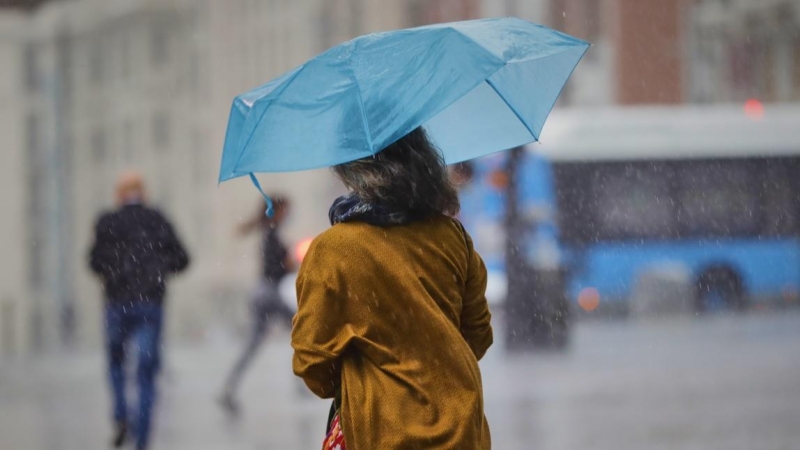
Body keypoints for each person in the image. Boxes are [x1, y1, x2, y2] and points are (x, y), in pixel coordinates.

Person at [292, 127, 493, 449]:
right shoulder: (452, 238)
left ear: (352, 168)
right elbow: (478, 336)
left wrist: (363, 378)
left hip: (380, 433)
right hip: (462, 429)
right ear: (422, 158)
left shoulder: (334, 249)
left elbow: (313, 363)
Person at [88, 171, 190, 450]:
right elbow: (183, 259)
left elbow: (94, 263)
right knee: (146, 373)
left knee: (116, 364)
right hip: (149, 304)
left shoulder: (107, 221)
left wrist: (116, 271)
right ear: (143, 193)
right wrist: (158, 269)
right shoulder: (156, 219)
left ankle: (121, 414)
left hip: (117, 304)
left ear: (118, 195)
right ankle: (142, 440)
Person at [219, 195, 295, 414]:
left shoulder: (268, 231)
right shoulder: (271, 234)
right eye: (286, 210)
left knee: (253, 344)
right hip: (268, 293)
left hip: (261, 292)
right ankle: (307, 381)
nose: (288, 215)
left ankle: (229, 386)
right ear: (278, 210)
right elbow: (275, 267)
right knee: (303, 329)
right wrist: (290, 263)